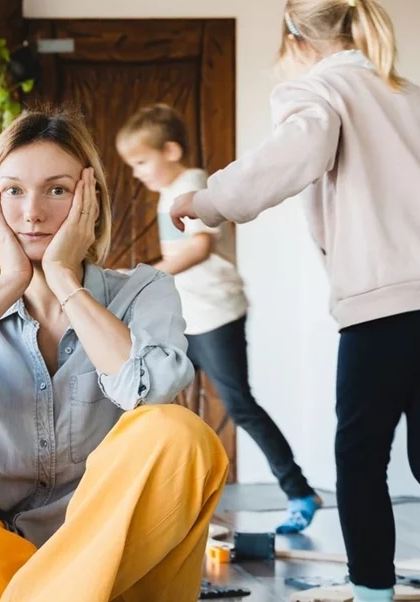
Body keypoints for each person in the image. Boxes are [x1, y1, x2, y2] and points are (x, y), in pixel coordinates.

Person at [169, 1, 420, 602]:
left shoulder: (317, 89)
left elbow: (290, 157)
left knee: (359, 455)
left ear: (295, 37)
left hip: (390, 297)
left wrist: (209, 198)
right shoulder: (409, 94)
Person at [0, 109, 229, 602]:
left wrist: (66, 281)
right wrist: (8, 285)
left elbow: (148, 393)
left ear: (91, 201)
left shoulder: (146, 290)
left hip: (113, 565)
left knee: (180, 433)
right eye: (13, 191)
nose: (33, 213)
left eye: (57, 190)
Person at [117, 104, 322, 534]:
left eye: (141, 162)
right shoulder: (167, 192)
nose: (136, 173)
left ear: (170, 151)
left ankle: (299, 490)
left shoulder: (191, 184)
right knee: (153, 399)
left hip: (215, 314)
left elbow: (199, 248)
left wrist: (139, 278)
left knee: (239, 405)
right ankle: (162, 499)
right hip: (187, 318)